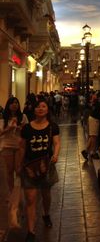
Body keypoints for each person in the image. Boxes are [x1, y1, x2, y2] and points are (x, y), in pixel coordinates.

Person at [19, 98, 60, 242]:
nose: (40, 109)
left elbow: (56, 142)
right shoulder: (27, 128)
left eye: (43, 106)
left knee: (46, 194)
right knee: (30, 199)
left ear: (47, 110)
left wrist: (55, 155)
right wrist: (20, 164)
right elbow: (23, 147)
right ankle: (31, 231)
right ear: (34, 110)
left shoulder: (52, 126)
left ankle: (46, 213)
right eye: (37, 107)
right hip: (30, 166)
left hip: (46, 166)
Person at [0, 97, 28, 228]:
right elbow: (1, 134)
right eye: (12, 103)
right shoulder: (2, 118)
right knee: (9, 174)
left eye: (17, 103)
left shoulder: (23, 117)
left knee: (19, 172)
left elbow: (27, 132)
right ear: (8, 105)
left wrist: (21, 128)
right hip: (6, 147)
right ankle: (13, 200)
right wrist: (9, 128)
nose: (15, 105)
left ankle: (19, 198)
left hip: (19, 146)